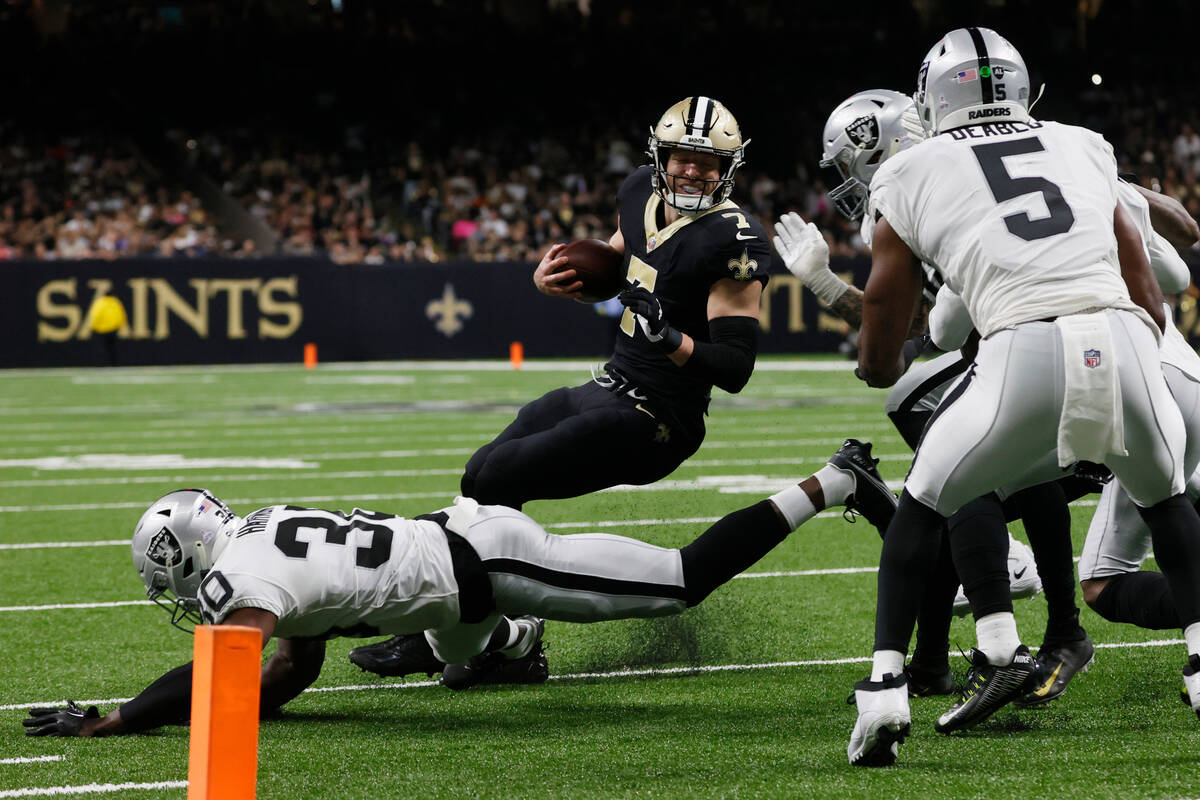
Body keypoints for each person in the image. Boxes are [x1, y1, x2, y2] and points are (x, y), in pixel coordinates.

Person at [846, 27, 1200, 766]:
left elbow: (889, 302)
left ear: (932, 99)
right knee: (1167, 502)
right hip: (1127, 336)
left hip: (1024, 346)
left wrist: (876, 367)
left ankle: (885, 691)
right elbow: (1145, 279)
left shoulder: (909, 170)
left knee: (922, 503)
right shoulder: (1081, 142)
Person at [351, 96, 790, 677]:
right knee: (480, 475)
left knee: (502, 477)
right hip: (611, 383)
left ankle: (460, 638)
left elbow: (734, 368)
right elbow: (615, 264)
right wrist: (559, 278)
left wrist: (670, 338)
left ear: (729, 167)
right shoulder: (639, 192)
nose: (693, 171)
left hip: (659, 419)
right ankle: (502, 641)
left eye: (709, 163)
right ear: (659, 155)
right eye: (684, 156)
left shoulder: (733, 239)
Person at [24, 446, 894, 736]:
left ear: (187, 558)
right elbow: (288, 672)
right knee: (460, 665)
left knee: (680, 581)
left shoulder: (239, 580)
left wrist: (117, 718)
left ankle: (832, 482)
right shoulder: (261, 532)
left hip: (486, 562)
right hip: (449, 576)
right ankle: (510, 645)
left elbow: (234, 663)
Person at [776, 88, 1084, 704]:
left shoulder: (924, 178)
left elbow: (902, 342)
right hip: (1045, 342)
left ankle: (1009, 637)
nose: (845, 183)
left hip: (1062, 338)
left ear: (877, 143)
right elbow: (916, 325)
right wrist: (829, 287)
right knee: (944, 468)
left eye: (846, 165)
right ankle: (943, 659)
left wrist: (824, 285)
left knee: (943, 444)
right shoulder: (953, 164)